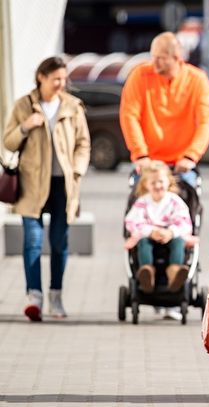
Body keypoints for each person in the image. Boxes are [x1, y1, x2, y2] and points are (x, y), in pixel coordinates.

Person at [3, 56, 91, 322]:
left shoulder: (73, 107)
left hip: (63, 185)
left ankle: (56, 296)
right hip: (32, 184)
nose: (61, 84)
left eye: (64, 79)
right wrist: (25, 126)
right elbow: (8, 142)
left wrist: (77, 171)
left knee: (59, 242)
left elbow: (83, 143)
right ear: (41, 77)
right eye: (56, 79)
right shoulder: (24, 106)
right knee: (32, 241)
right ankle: (34, 297)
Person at [119, 31, 209, 187]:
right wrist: (140, 155)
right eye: (153, 56)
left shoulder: (197, 80)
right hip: (149, 162)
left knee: (188, 202)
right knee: (138, 204)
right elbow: (129, 115)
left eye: (161, 58)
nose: (154, 62)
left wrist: (191, 156)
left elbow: (206, 121)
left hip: (182, 162)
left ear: (177, 58)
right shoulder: (140, 75)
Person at [124, 160, 198, 293]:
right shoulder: (142, 202)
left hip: (170, 235)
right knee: (143, 243)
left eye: (161, 182)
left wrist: (170, 232)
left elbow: (183, 220)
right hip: (148, 235)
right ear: (145, 184)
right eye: (153, 183)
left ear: (168, 182)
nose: (157, 185)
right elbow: (132, 221)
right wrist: (150, 231)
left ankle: (174, 271)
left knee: (178, 242)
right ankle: (147, 271)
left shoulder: (175, 201)